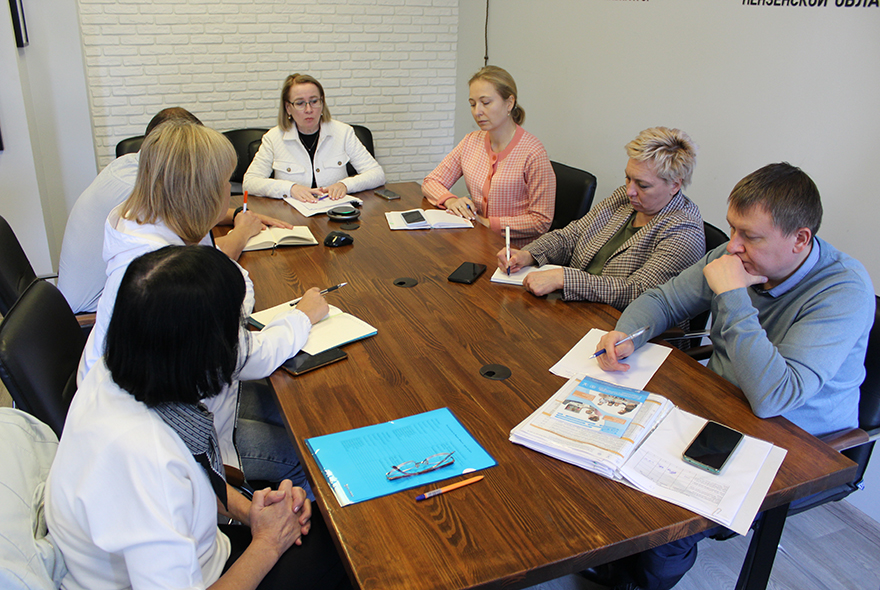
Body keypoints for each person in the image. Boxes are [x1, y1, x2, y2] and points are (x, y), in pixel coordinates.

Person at [590, 162, 875, 590]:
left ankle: (637, 580)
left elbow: (775, 397)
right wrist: (627, 334)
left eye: (751, 236)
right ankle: (619, 561)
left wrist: (733, 294)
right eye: (732, 229)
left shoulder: (843, 291)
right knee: (607, 442)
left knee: (666, 511)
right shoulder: (736, 254)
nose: (733, 247)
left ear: (800, 239)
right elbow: (663, 300)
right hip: (722, 407)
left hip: (793, 438)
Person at [47, 246, 349, 590]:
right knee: (345, 544)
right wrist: (268, 542)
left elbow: (193, 481)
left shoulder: (116, 372)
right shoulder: (147, 460)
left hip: (201, 552)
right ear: (205, 353)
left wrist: (250, 512)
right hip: (206, 577)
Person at [76, 119, 329, 490]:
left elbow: (228, 297)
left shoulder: (144, 227)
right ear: (199, 194)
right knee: (309, 457)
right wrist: (302, 317)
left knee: (303, 414)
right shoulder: (164, 277)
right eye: (224, 183)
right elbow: (244, 356)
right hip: (172, 441)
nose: (230, 192)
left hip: (169, 402)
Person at [57, 107, 291, 314]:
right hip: (95, 310)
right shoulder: (145, 191)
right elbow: (201, 265)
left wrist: (237, 214)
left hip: (118, 299)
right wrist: (242, 231)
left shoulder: (134, 168)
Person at [497, 127, 704, 309]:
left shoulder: (684, 231)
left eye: (642, 185)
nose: (630, 191)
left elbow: (639, 291)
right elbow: (571, 236)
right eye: (628, 178)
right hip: (575, 308)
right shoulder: (623, 200)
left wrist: (565, 279)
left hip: (621, 326)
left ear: (675, 185)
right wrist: (528, 254)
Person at [422, 65, 556, 247]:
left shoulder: (533, 153)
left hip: (515, 252)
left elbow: (541, 220)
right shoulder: (470, 141)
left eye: (485, 103)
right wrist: (451, 200)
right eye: (472, 104)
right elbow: (431, 181)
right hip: (477, 242)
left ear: (509, 103)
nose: (477, 112)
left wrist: (487, 223)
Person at [243, 73, 385, 202]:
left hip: (335, 210)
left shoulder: (343, 132)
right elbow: (249, 183)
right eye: (300, 103)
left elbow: (377, 174)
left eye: (314, 101)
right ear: (288, 108)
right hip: (291, 214)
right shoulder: (273, 138)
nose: (309, 109)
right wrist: (290, 188)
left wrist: (345, 185)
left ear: (322, 103)